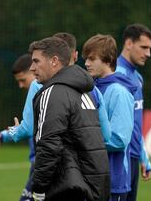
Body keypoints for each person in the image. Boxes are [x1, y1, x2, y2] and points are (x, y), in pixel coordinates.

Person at [29, 37, 110, 201]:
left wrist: (38, 188)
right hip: (93, 187)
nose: (32, 68)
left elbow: (49, 145)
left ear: (54, 61)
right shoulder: (84, 91)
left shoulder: (52, 93)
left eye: (36, 61)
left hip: (68, 188)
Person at [83, 34, 136, 201]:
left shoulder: (119, 92)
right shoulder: (92, 88)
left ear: (108, 59)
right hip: (92, 179)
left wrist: (83, 142)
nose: (86, 63)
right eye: (86, 58)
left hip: (113, 182)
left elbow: (120, 140)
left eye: (92, 59)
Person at [0, 53, 39, 201]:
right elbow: (28, 125)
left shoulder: (42, 91)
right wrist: (4, 135)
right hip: (37, 164)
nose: (20, 85)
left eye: (22, 80)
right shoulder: (36, 93)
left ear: (33, 70)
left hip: (44, 164)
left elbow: (26, 128)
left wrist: (7, 134)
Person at [116, 23, 151, 201]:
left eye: (149, 48)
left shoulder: (137, 78)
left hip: (133, 157)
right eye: (144, 47)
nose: (148, 53)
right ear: (129, 43)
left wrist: (143, 156)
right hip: (118, 158)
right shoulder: (114, 75)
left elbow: (134, 122)